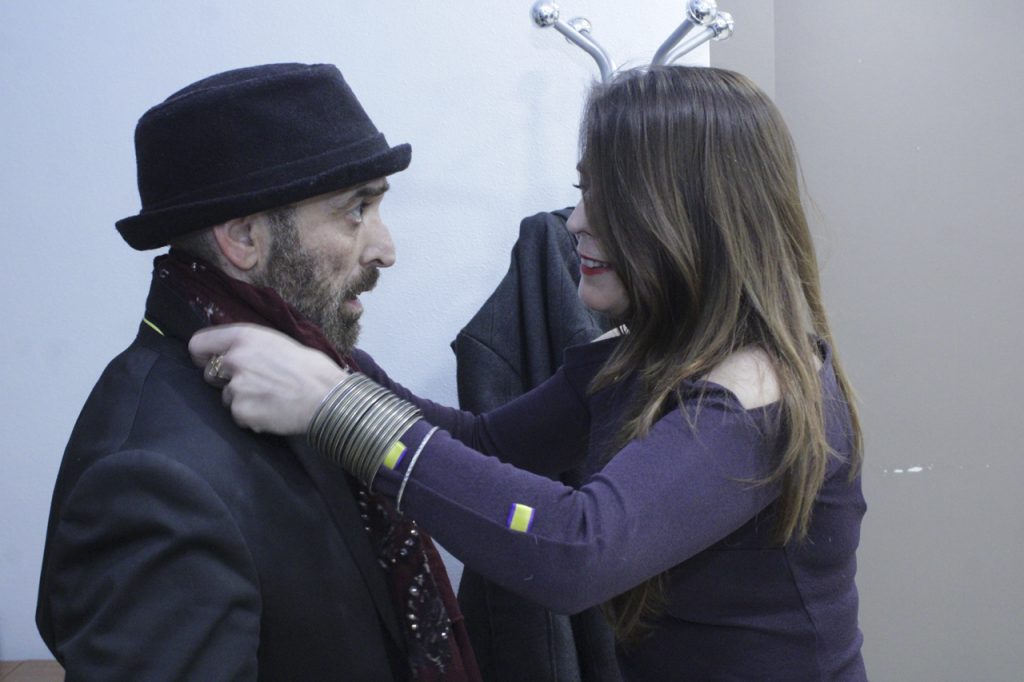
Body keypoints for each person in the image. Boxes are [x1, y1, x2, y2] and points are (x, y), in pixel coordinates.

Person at [192, 66, 868, 680]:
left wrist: (338, 407)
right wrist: (327, 362)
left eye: (609, 198)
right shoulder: (641, 356)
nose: (576, 222)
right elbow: (485, 445)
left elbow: (578, 551)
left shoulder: (758, 391)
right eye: (582, 191)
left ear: (691, 214)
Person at [36, 62, 479, 681]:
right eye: (357, 209)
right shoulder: (151, 479)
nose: (385, 249)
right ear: (243, 237)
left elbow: (483, 446)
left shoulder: (312, 374)